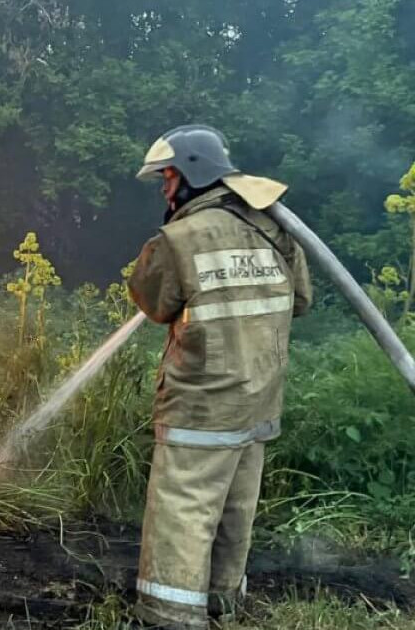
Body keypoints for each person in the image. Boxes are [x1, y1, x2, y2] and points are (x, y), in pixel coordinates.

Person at [127, 125, 313, 629]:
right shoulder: (273, 226)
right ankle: (222, 603)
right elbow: (300, 300)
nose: (165, 191)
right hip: (259, 399)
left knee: (184, 509)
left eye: (167, 179)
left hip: (202, 405)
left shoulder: (180, 238)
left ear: (192, 173)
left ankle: (170, 614)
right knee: (236, 507)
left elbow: (152, 301)